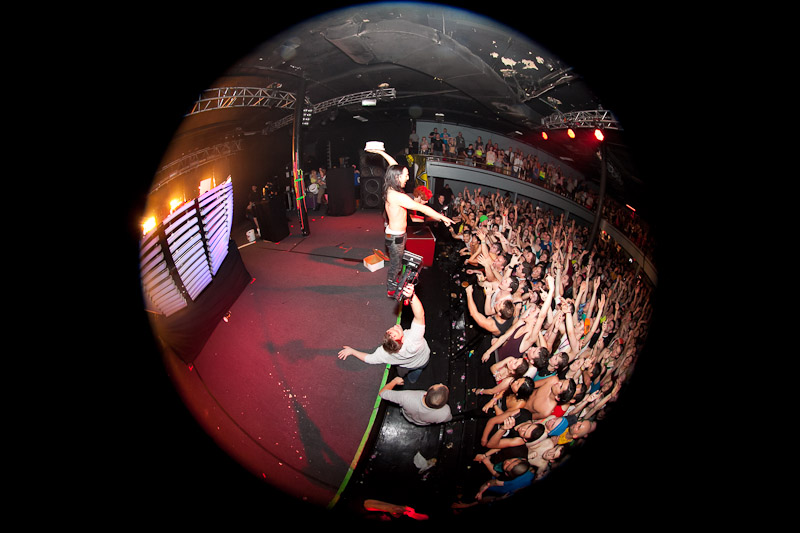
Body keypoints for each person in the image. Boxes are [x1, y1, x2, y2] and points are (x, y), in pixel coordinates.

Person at [366, 145, 454, 296]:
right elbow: (421, 208)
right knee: (396, 265)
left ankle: (394, 281)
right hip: (396, 237)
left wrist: (380, 152)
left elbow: (393, 165)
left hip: (397, 235)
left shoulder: (393, 187)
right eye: (406, 175)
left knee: (398, 261)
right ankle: (391, 288)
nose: (408, 178)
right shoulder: (396, 196)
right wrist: (442, 216)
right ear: (397, 177)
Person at [337, 284, 431, 383]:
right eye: (396, 331)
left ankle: (409, 378)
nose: (395, 326)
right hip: (423, 361)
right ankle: (413, 379)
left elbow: (369, 359)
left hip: (407, 365)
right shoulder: (414, 341)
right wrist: (412, 296)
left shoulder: (384, 352)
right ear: (401, 340)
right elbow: (419, 316)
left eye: (391, 329)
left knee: (406, 371)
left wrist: (352, 351)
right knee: (418, 370)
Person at [378, 376, 452, 426]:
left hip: (407, 416)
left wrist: (394, 381)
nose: (441, 383)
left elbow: (382, 393)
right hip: (421, 423)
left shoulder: (407, 397)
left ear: (425, 394)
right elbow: (449, 419)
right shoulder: (445, 412)